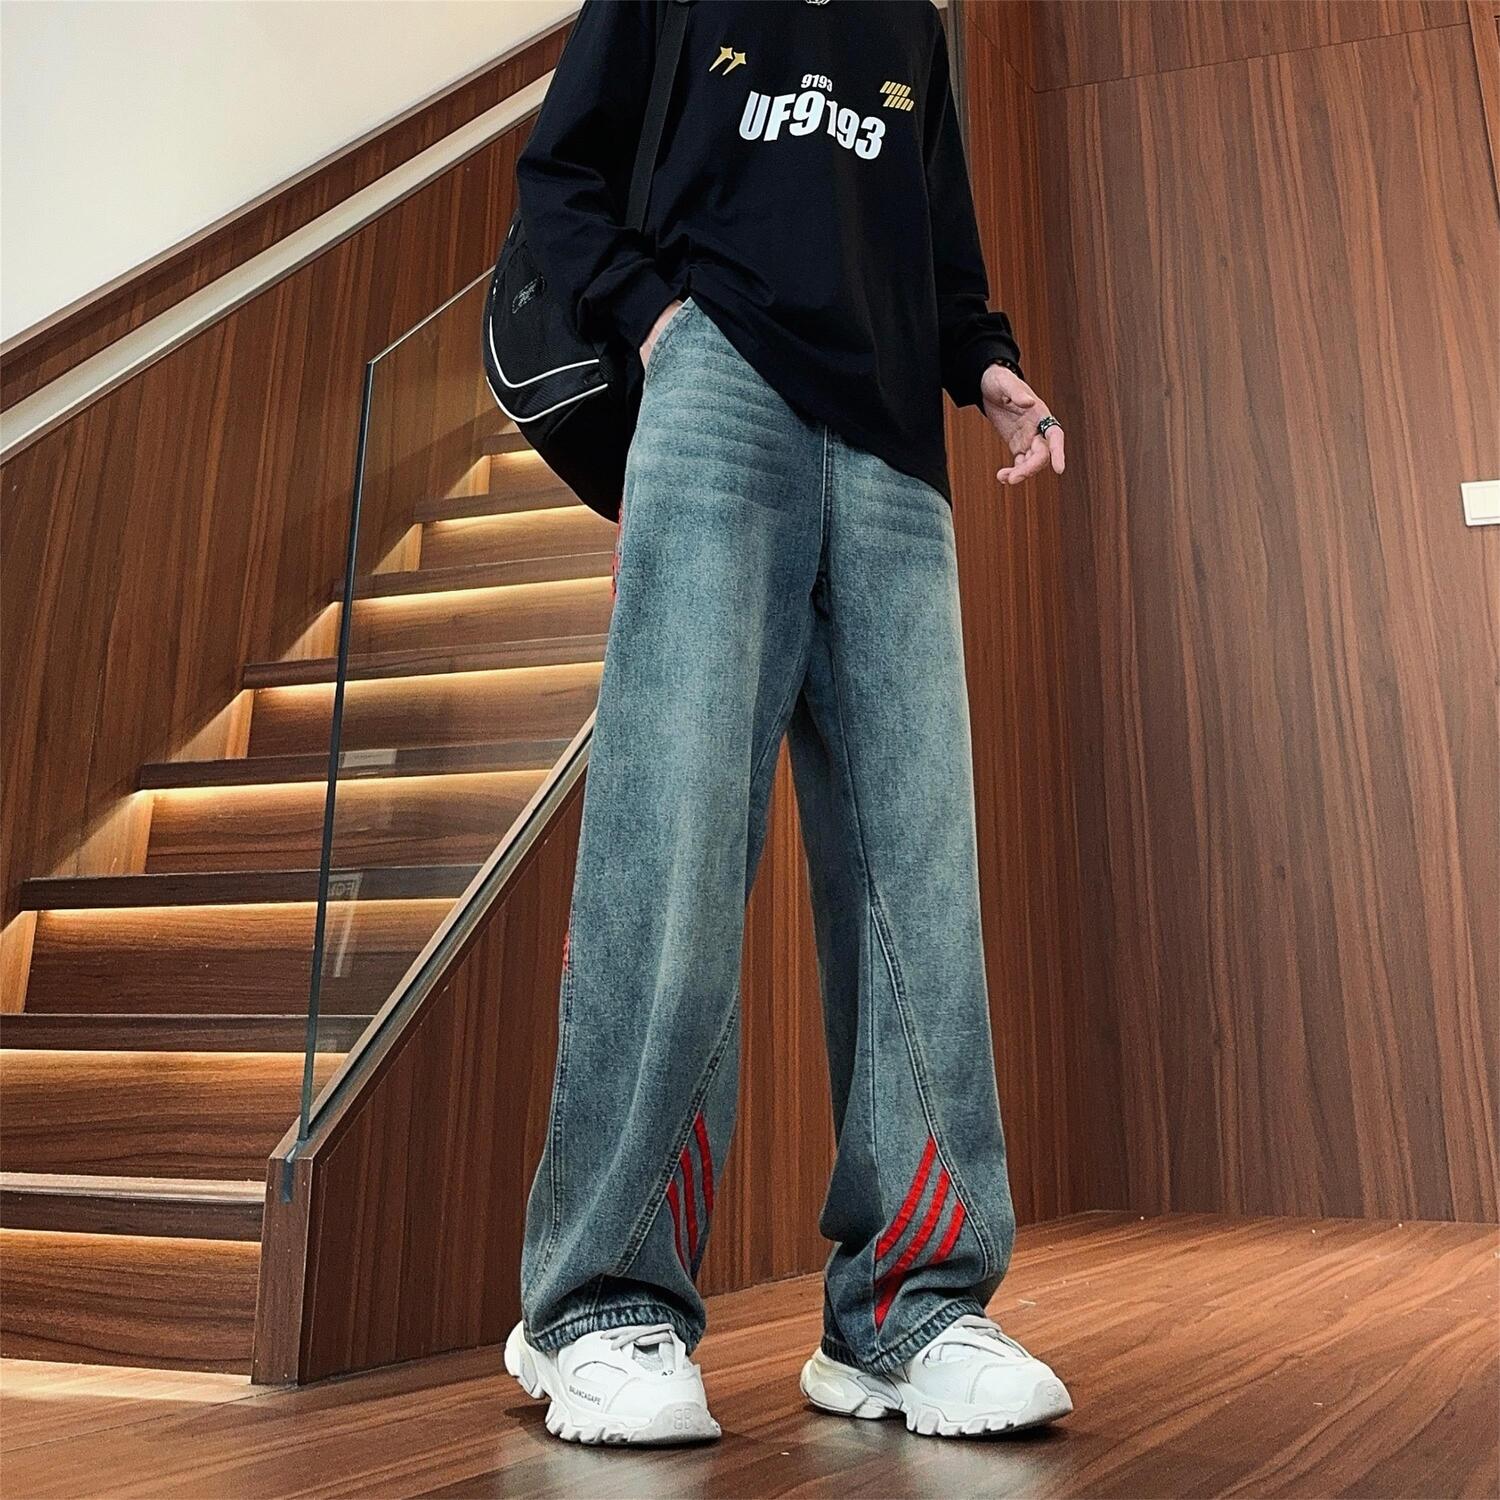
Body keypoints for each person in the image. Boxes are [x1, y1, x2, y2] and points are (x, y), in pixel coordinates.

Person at [502, 0, 1070, 1446]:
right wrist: (657, 320)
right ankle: (598, 1303)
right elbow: (561, 176)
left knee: (916, 877)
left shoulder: (912, 23)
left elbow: (939, 246)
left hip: (896, 454)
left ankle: (909, 1308)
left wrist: (987, 366)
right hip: (718, 401)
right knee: (677, 844)